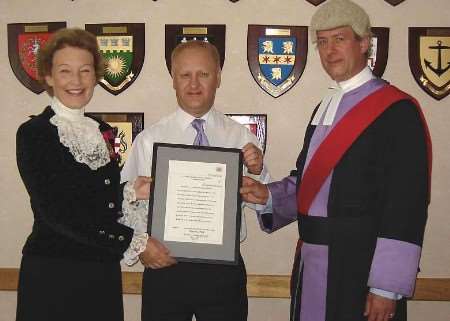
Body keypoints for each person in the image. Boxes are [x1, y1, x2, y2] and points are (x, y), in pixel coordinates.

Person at [240, 1, 432, 321]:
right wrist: (269, 196)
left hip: (360, 269)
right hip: (313, 262)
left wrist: (385, 287)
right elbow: (310, 181)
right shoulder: (325, 106)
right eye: (323, 42)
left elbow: (406, 205)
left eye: (340, 39)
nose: (330, 51)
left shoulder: (397, 111)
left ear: (364, 42)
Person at [120, 40, 269, 321]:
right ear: (173, 81)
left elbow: (265, 205)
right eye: (184, 75)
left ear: (219, 77)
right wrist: (141, 245)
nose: (194, 84)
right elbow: (123, 205)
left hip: (224, 270)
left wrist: (258, 173)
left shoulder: (241, 138)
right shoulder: (150, 140)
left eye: (204, 74)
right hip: (164, 266)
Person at [15, 28, 150, 321]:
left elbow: (99, 198)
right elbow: (57, 212)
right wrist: (134, 241)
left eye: (85, 71)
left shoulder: (106, 132)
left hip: (101, 272)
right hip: (52, 273)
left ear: (95, 76)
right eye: (65, 71)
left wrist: (129, 190)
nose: (76, 81)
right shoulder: (33, 133)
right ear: (49, 76)